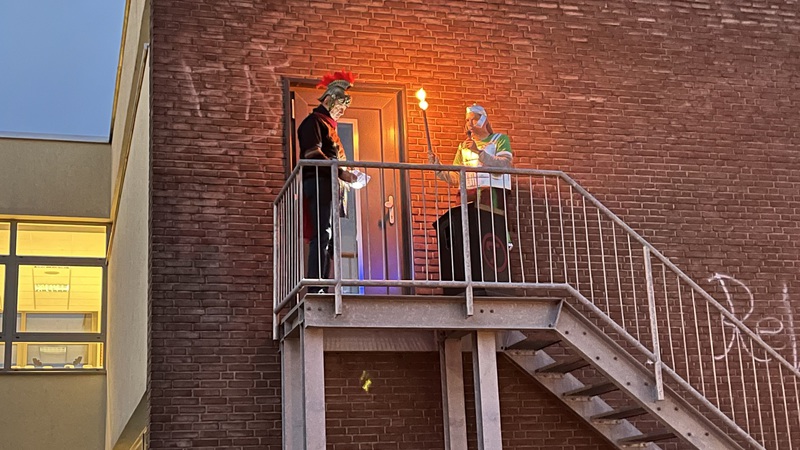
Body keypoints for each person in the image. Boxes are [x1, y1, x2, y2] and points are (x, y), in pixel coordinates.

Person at [297, 71, 358, 293]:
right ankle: (316, 286)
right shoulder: (314, 122)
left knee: (329, 237)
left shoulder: (328, 125)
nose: (342, 111)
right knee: (322, 233)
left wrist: (344, 173)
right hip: (319, 182)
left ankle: (324, 283)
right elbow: (313, 153)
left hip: (329, 184)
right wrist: (341, 172)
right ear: (330, 101)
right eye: (340, 106)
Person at [429, 104, 513, 217]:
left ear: (484, 120)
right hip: (467, 192)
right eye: (467, 120)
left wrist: (478, 152)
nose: (470, 124)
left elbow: (505, 164)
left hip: (491, 191)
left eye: (474, 119)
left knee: (489, 223)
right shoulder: (463, 146)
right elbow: (456, 177)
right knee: (466, 223)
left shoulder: (499, 139)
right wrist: (438, 168)